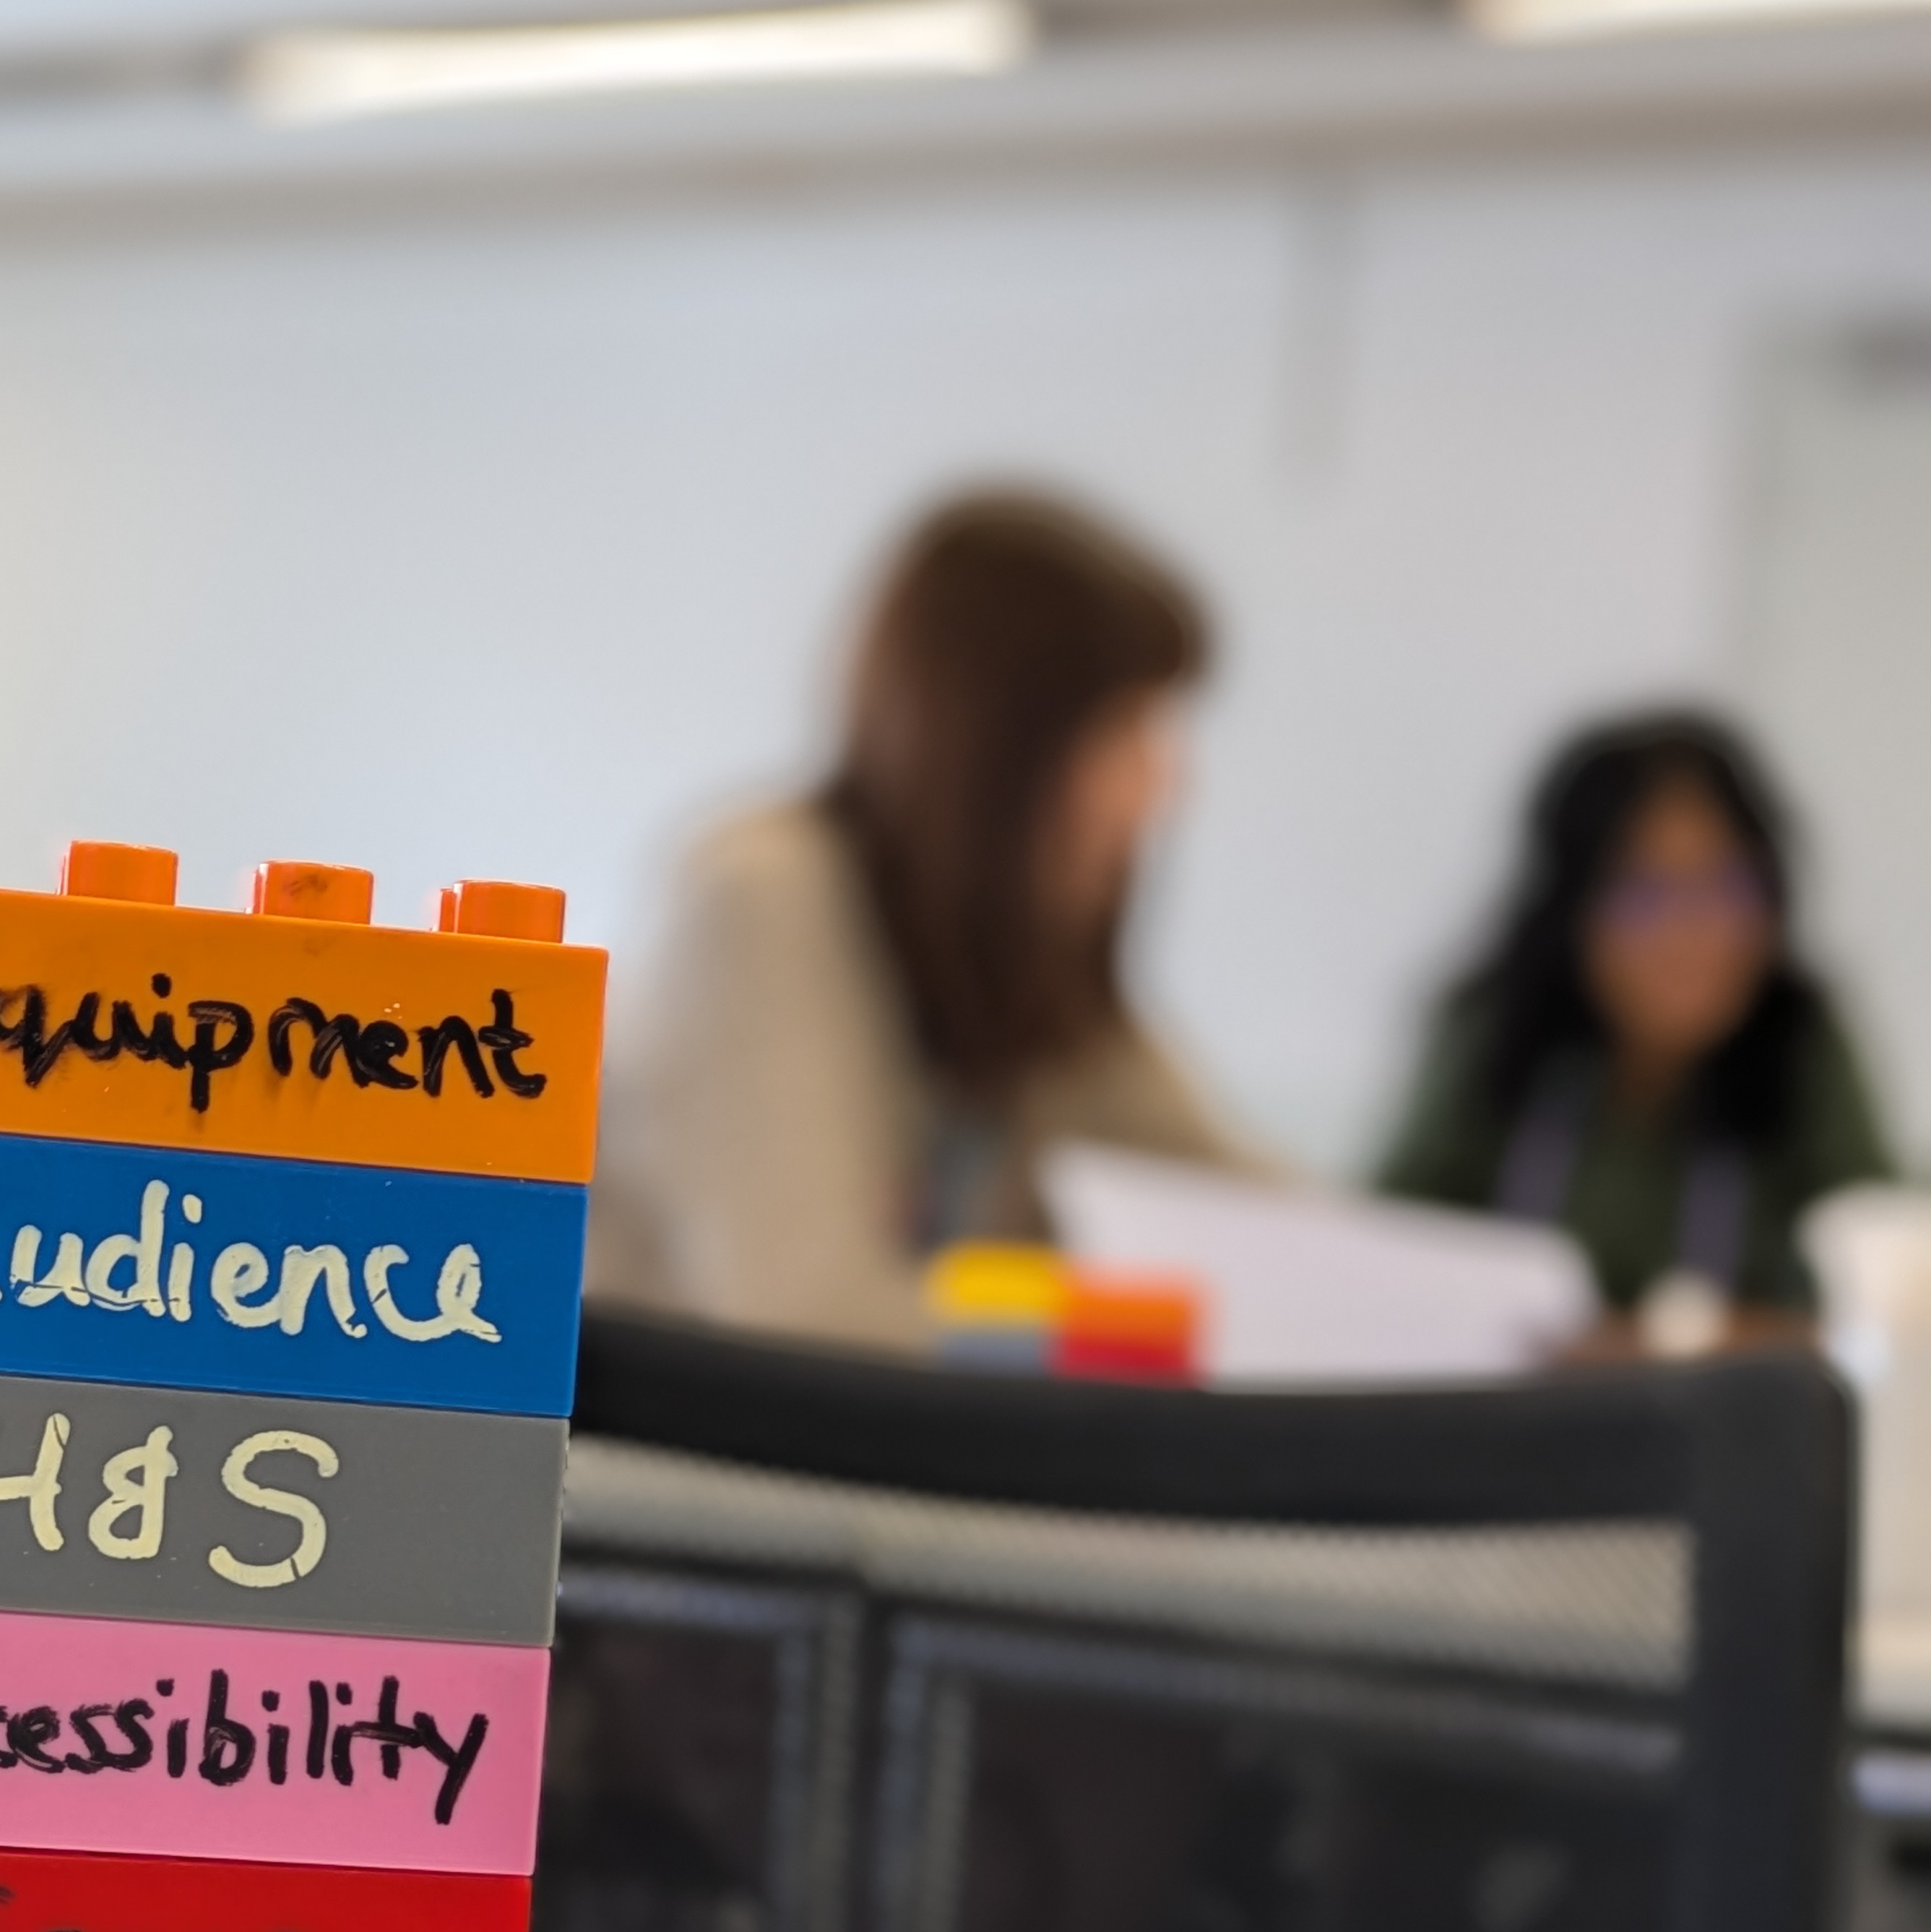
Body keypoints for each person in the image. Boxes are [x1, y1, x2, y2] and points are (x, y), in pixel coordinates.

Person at [587, 491, 1257, 1349]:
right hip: (672, 1478)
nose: (1163, 786)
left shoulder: (1021, 973)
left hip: (869, 1475)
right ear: (1006, 743)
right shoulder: (761, 894)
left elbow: (1258, 1217)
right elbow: (809, 1319)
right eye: (1124, 730)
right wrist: (1128, 1329)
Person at [1380, 711, 1895, 1325]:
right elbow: (1390, 1258)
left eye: (1729, 887)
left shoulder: (1801, 1037)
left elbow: (1883, 1280)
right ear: (1570, 908)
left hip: (1733, 1411)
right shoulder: (1495, 1028)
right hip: (1516, 1411)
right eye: (1645, 895)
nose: (1693, 933)